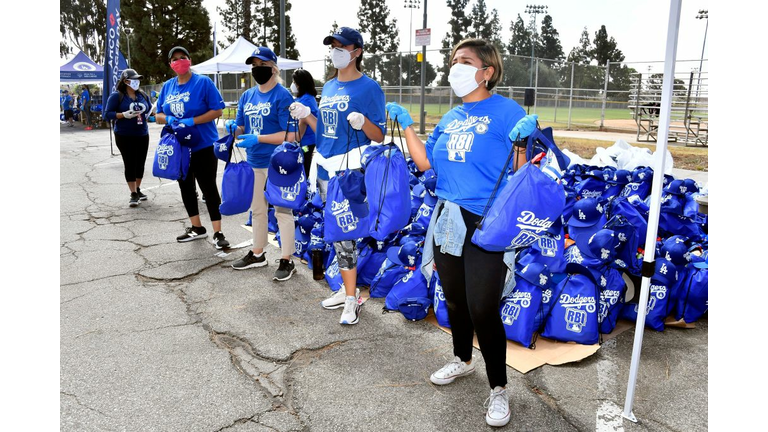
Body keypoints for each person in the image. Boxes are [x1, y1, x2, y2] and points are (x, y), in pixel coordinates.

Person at [385, 38, 539, 427]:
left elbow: (521, 172)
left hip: (487, 222)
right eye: (453, 60)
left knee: (483, 306)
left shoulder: (507, 112)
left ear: (487, 71)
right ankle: (463, 359)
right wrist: (406, 126)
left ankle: (499, 389)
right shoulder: (452, 117)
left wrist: (523, 141)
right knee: (453, 298)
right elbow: (424, 163)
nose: (456, 67)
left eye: (465, 61)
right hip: (447, 218)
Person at [290, 26, 386, 325]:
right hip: (324, 167)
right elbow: (325, 133)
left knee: (345, 235)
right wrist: (306, 115)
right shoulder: (329, 87)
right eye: (332, 45)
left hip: (349, 171)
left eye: (341, 46)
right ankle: (348, 289)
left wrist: (363, 122)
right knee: (335, 232)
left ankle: (351, 297)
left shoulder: (369, 88)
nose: (335, 51)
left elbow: (379, 135)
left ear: (356, 51)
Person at [226, 47, 298, 282]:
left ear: (273, 67)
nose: (257, 69)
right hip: (254, 162)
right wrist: (232, 129)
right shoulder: (248, 96)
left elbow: (290, 135)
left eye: (262, 65)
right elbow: (241, 128)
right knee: (257, 210)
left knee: (282, 211)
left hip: (278, 164)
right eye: (254, 65)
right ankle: (258, 253)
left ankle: (287, 258)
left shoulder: (282, 95)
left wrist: (259, 138)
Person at [156, 46, 230, 249]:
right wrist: (169, 118)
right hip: (179, 148)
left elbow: (217, 111)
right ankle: (196, 227)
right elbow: (157, 115)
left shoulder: (203, 82)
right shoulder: (168, 87)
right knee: (186, 186)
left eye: (183, 57)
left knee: (208, 187)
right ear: (170, 64)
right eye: (175, 59)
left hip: (203, 145)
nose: (179, 61)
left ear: (189, 60)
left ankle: (218, 231)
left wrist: (193, 121)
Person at [104, 69, 153, 207]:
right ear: (125, 81)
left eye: (138, 79)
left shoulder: (143, 94)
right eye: (134, 79)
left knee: (140, 164)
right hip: (124, 135)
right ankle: (133, 194)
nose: (137, 82)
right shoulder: (116, 96)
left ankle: (137, 189)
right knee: (130, 163)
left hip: (142, 133)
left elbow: (149, 109)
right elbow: (107, 114)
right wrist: (123, 115)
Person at [290, 69, 319, 176]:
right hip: (306, 141)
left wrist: (295, 141)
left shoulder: (306, 100)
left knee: (304, 169)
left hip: (305, 143)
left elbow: (303, 123)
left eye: (294, 82)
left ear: (299, 84)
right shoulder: (305, 98)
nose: (292, 85)